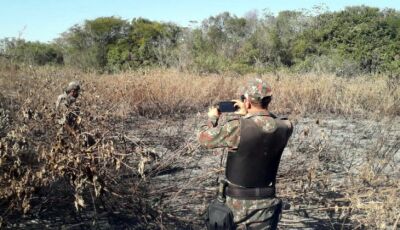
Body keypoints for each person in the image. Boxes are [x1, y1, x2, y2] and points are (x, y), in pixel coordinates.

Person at [198, 78, 293, 229]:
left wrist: (213, 118)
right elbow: (267, 124)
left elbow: (204, 139)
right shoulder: (286, 126)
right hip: (267, 204)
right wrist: (249, 113)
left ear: (247, 101)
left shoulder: (237, 127)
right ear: (268, 101)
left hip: (237, 206)